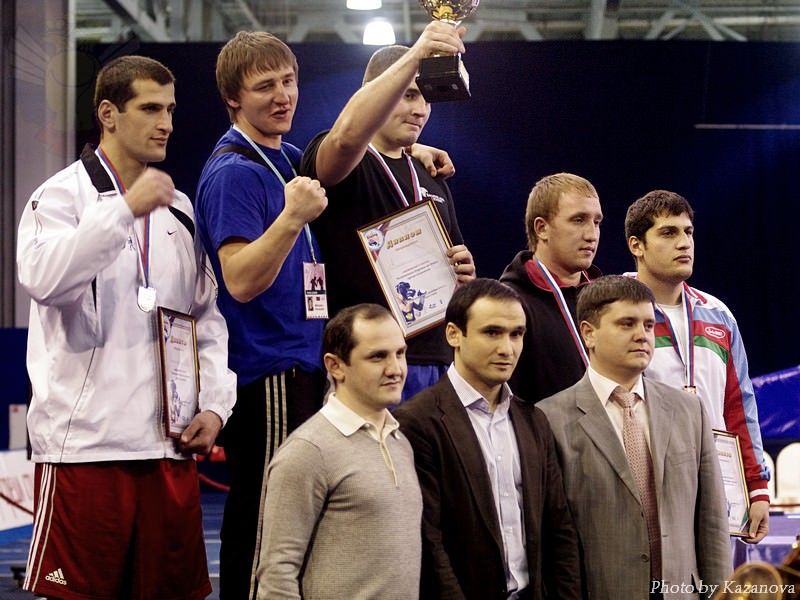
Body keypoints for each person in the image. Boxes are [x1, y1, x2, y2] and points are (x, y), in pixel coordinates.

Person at [195, 31, 457, 598]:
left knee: (304, 519)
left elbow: (354, 148)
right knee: (267, 520)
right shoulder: (235, 171)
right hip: (269, 368)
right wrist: (292, 218)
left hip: (305, 365)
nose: (282, 96)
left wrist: (415, 150)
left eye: (288, 81)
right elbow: (239, 280)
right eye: (264, 87)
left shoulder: (285, 159)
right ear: (233, 99)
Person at [17, 55, 236, 600]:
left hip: (169, 448)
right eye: (150, 109)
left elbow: (205, 318)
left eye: (171, 110)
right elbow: (44, 280)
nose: (166, 123)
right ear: (108, 114)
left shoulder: (179, 208)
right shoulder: (59, 196)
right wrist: (122, 211)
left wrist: (215, 405)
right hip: (86, 451)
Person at [300, 22, 477, 400]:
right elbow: (347, 137)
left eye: (425, 99)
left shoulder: (432, 176)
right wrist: (417, 54)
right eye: (408, 94)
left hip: (436, 359)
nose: (420, 110)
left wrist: (463, 274)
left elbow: (459, 276)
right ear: (377, 91)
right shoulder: (345, 159)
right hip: (367, 359)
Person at [539, 276, 731, 599]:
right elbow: (550, 538)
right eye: (627, 324)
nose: (642, 335)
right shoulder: (549, 419)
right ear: (589, 333)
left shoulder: (689, 410)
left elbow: (711, 522)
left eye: (648, 325)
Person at [394, 278, 582, 600]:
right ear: (454, 334)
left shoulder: (534, 421)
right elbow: (429, 541)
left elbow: (559, 528)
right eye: (492, 332)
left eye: (516, 334)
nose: (507, 349)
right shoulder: (417, 422)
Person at [625, 189, 770, 543]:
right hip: (641, 484)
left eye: (688, 232)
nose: (684, 243)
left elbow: (738, 406)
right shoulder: (615, 308)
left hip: (714, 486)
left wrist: (757, 487)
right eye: (668, 232)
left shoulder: (718, 315)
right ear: (636, 245)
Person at [257, 304, 422, 599]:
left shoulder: (401, 443)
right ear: (335, 366)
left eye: (400, 353)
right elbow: (276, 575)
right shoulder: (307, 451)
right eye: (377, 356)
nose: (395, 369)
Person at [500, 172, 603, 403]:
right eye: (578, 220)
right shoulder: (509, 303)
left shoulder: (608, 299)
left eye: (596, 222)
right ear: (542, 228)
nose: (591, 235)